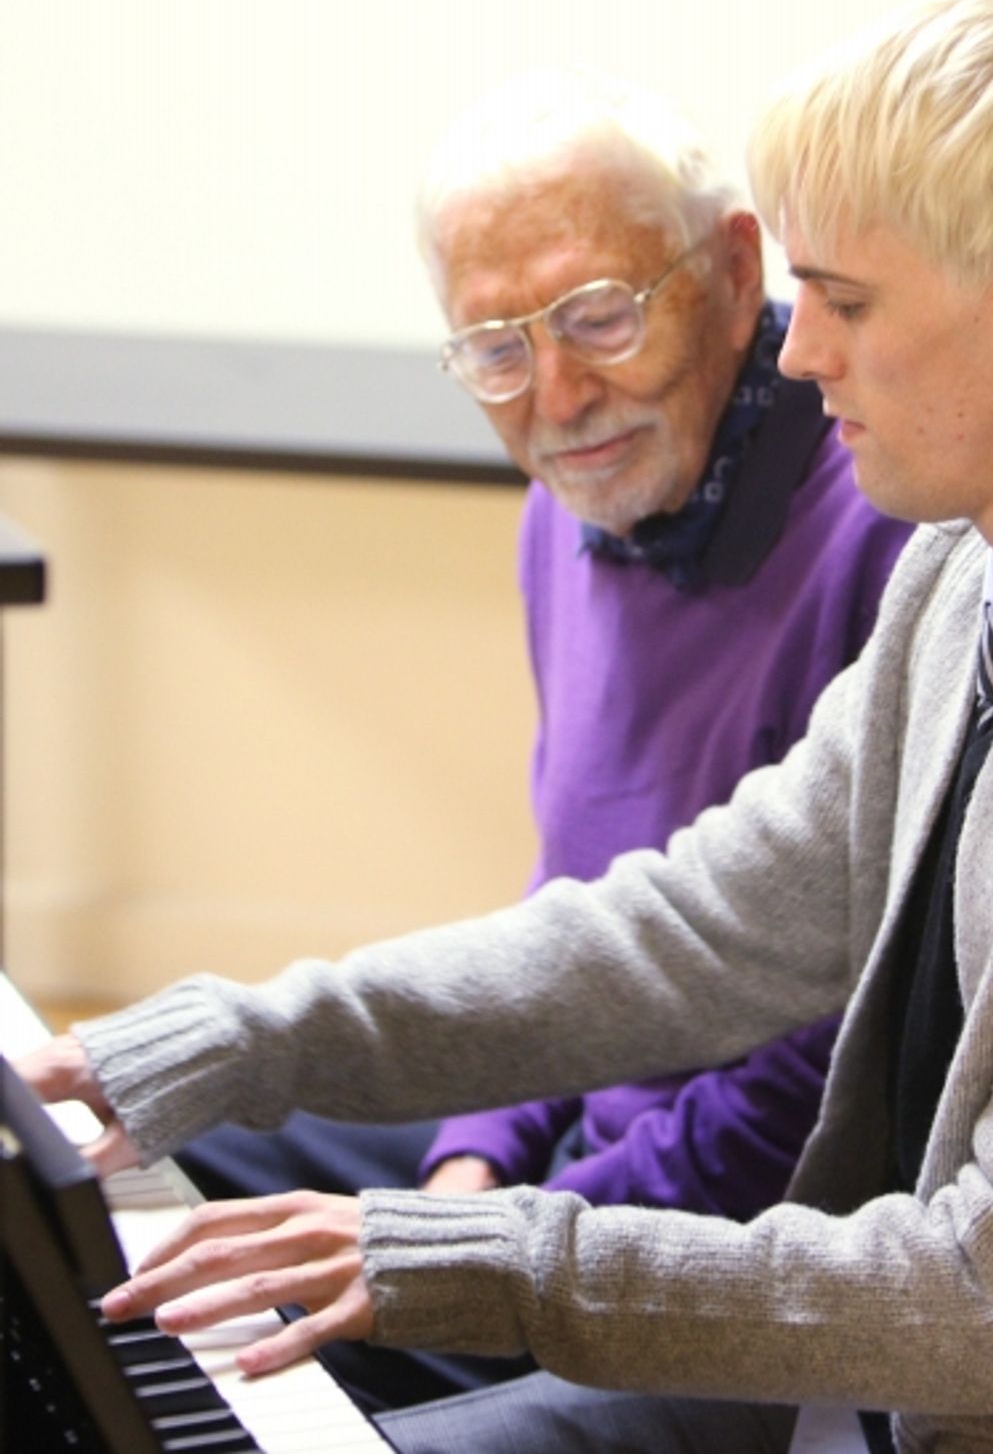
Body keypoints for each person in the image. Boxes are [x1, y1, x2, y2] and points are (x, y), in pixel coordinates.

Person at [24, 0, 993, 1454]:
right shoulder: (970, 565)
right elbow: (696, 926)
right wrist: (245, 1036)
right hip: (883, 1372)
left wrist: (482, 1257)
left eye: (849, 304)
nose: (800, 357)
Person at [143, 72, 915, 1409]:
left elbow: (830, 1071)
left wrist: (499, 1239)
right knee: (172, 1164)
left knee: (289, 1344)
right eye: (495, 346)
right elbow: (574, 896)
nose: (557, 394)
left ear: (735, 270)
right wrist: (477, 1154)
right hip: (586, 1142)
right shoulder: (571, 510)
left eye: (598, 316)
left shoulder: (884, 529)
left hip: (744, 1236)